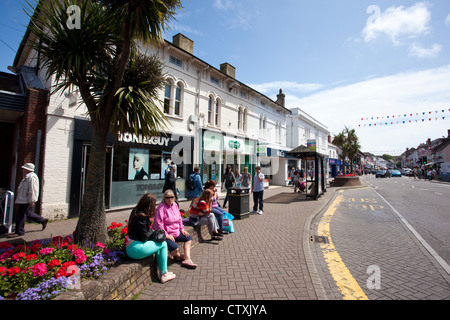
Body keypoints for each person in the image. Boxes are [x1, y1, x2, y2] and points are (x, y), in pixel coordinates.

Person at [125, 193, 176, 283]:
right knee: (163, 244)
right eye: (154, 204)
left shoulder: (136, 211)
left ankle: (163, 273)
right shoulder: (141, 216)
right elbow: (145, 237)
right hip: (135, 248)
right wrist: (154, 232)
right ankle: (164, 273)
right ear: (149, 204)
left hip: (132, 246)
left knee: (160, 246)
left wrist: (152, 232)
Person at [153, 190, 197, 269]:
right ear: (164, 198)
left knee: (188, 238)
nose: (170, 199)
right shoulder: (161, 207)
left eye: (171, 197)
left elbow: (179, 219)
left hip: (176, 232)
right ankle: (180, 256)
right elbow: (159, 223)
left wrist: (182, 229)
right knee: (175, 250)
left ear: (174, 198)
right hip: (166, 234)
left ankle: (187, 259)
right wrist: (166, 235)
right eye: (167, 198)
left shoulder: (175, 205)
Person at [13, 163, 48, 236]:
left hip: (25, 199)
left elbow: (33, 189)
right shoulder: (28, 177)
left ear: (27, 169)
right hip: (23, 199)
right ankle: (42, 220)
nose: (23, 170)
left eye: (24, 168)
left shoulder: (32, 177)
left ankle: (20, 231)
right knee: (26, 213)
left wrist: (32, 200)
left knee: (21, 215)